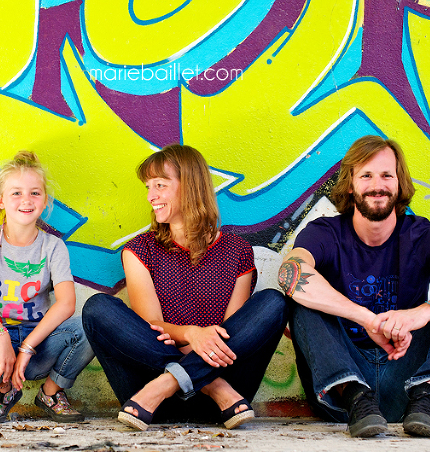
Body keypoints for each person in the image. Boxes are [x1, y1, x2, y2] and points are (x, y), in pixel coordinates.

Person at [279, 135, 430, 438]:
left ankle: (427, 397)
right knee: (300, 297)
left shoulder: (422, 235)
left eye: (386, 175)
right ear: (350, 184)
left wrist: (419, 314)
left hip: (408, 383)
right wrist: (366, 318)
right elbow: (290, 273)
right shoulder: (325, 233)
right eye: (366, 175)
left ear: (399, 184)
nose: (377, 184)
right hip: (343, 395)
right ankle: (357, 395)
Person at [82, 144, 288, 430]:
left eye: (160, 185)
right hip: (161, 397)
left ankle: (173, 382)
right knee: (98, 308)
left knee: (273, 302)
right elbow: (149, 327)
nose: (151, 196)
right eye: (148, 187)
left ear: (190, 186)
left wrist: (195, 342)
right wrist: (193, 334)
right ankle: (212, 386)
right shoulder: (139, 251)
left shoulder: (237, 251)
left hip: (188, 399)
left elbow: (229, 337)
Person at [0, 151, 94, 424]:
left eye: (35, 193)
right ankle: (3, 390)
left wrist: (26, 348)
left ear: (45, 200)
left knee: (91, 325)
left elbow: (66, 303)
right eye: (16, 193)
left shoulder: (53, 246)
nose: (26, 200)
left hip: (40, 345)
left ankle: (51, 392)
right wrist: (1, 337)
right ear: (0, 200)